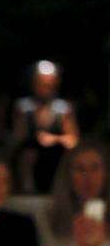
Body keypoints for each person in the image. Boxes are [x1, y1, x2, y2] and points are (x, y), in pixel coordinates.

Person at [12, 60, 79, 195]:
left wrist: (54, 139)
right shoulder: (24, 108)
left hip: (57, 157)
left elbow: (73, 141)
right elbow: (17, 138)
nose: (45, 88)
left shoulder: (63, 109)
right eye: (41, 83)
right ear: (34, 82)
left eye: (49, 84)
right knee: (27, 155)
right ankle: (27, 189)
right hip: (30, 159)